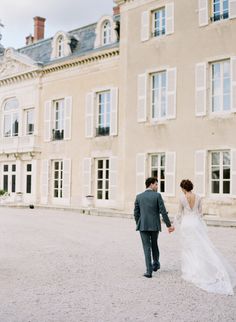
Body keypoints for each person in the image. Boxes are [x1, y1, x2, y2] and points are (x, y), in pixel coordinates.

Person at [176, 179, 236, 295]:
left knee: (188, 248)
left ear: (183, 188)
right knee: (199, 246)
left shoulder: (182, 198)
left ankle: (191, 271)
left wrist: (174, 224)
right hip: (196, 223)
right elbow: (200, 213)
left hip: (187, 224)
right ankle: (200, 269)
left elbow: (179, 213)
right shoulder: (198, 197)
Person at [134, 177, 175, 278]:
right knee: (154, 244)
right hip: (154, 225)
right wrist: (169, 225)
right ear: (151, 184)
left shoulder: (139, 196)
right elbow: (163, 211)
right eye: (156, 184)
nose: (157, 186)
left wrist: (139, 223)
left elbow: (136, 213)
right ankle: (156, 264)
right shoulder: (157, 196)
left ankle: (149, 271)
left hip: (143, 225)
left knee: (146, 247)